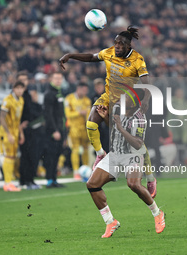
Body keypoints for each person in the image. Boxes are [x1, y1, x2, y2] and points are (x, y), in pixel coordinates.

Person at [59, 26, 156, 193]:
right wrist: (70, 55)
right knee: (90, 124)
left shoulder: (137, 60)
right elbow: (91, 57)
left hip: (126, 103)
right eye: (116, 43)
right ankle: (100, 154)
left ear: (128, 46)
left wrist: (146, 100)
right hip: (108, 97)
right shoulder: (109, 52)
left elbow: (147, 83)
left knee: (134, 141)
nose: (117, 46)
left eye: (121, 44)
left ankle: (150, 177)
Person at [86, 90, 165, 238]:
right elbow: (114, 126)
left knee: (133, 184)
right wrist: (105, 118)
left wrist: (121, 128)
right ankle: (110, 221)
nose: (121, 98)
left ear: (133, 103)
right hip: (115, 154)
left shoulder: (140, 119)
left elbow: (138, 143)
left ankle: (157, 213)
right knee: (92, 184)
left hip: (133, 155)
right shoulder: (117, 108)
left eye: (126, 98)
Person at [17, 71, 43, 190]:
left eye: (25, 79)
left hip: (31, 129)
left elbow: (31, 112)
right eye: (21, 80)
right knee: (26, 155)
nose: (23, 82)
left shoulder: (28, 95)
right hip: (22, 130)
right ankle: (25, 180)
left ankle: (28, 180)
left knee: (31, 155)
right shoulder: (16, 96)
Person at [0, 80, 25, 192]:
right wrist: (8, 134)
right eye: (17, 88)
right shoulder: (7, 100)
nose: (19, 90)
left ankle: (9, 182)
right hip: (6, 132)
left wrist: (21, 133)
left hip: (15, 132)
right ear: (14, 89)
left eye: (21, 88)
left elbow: (18, 120)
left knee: (13, 157)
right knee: (8, 156)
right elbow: (1, 117)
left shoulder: (21, 100)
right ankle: (7, 183)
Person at [43, 72, 66, 188]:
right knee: (51, 155)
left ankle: (54, 178)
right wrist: (54, 130)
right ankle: (49, 180)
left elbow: (61, 115)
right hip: (53, 130)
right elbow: (48, 114)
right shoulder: (49, 94)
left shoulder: (59, 93)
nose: (58, 80)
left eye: (60, 78)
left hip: (60, 129)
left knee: (57, 154)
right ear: (51, 79)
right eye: (56, 78)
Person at [64, 82, 91, 179]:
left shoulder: (87, 100)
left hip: (84, 128)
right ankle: (76, 172)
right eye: (83, 90)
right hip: (73, 128)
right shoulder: (69, 99)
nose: (85, 92)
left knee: (85, 149)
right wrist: (79, 112)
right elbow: (68, 114)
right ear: (78, 89)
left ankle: (86, 169)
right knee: (75, 149)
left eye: (86, 91)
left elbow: (88, 116)